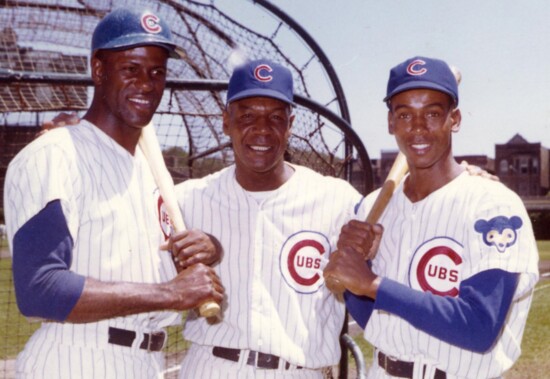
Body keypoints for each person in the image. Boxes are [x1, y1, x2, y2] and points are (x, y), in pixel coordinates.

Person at [3, 7, 223, 378]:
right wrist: (171, 293)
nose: (147, 84)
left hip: (146, 360)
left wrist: (207, 246)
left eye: (157, 72)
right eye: (131, 69)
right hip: (77, 358)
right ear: (99, 70)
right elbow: (39, 287)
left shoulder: (152, 172)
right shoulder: (55, 153)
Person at [323, 56, 540, 379]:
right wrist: (357, 271)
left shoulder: (492, 205)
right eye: (405, 114)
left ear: (455, 119)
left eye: (433, 113)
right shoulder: (373, 208)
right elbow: (376, 320)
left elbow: (479, 327)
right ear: (390, 122)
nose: (418, 127)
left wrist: (372, 284)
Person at [171, 59, 371, 378]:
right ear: (226, 121)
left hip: (298, 370)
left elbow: (399, 222)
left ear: (290, 124)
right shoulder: (187, 199)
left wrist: (466, 178)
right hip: (213, 366)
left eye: (275, 117)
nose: (262, 129)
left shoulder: (338, 199)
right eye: (247, 115)